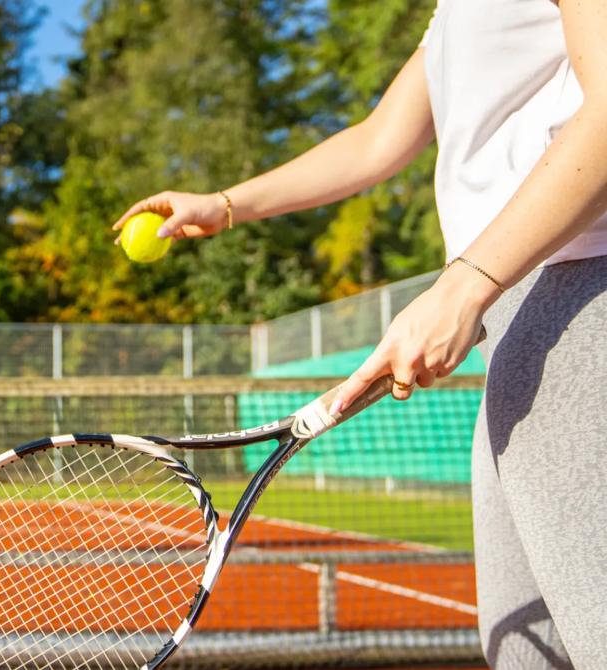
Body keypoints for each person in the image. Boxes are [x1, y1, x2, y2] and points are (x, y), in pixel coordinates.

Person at [113, 2, 606, 667]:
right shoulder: (451, 14)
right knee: (523, 652)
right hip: (515, 321)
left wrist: (466, 284)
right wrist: (225, 205)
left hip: (578, 295)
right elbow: (377, 140)